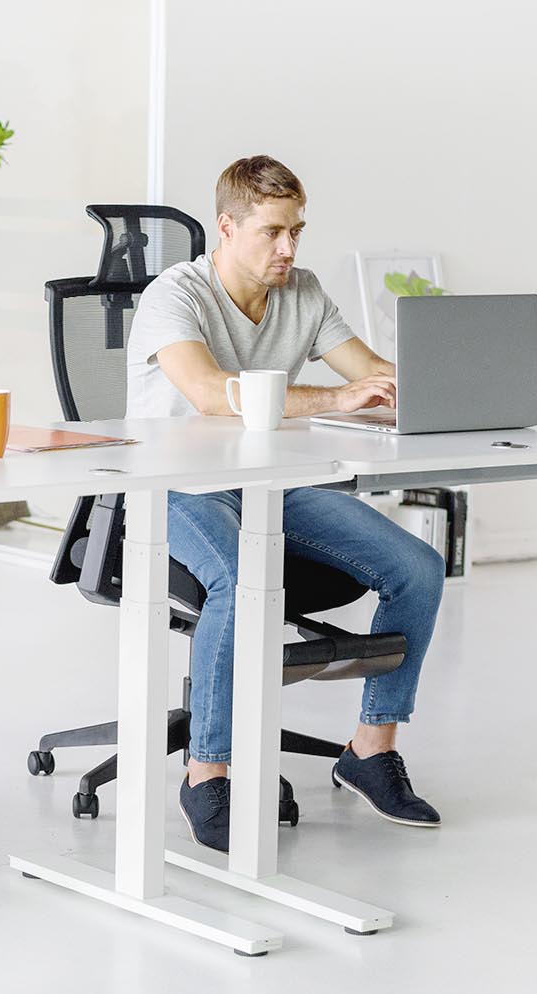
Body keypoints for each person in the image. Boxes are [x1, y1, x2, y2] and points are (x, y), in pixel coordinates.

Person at [124, 154, 446, 848]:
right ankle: (207, 774)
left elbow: (372, 373)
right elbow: (211, 394)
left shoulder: (302, 292)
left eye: (297, 230)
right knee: (241, 578)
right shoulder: (174, 295)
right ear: (227, 227)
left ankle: (369, 752)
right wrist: (336, 399)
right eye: (272, 232)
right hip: (172, 484)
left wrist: (451, 381)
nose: (289, 248)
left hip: (271, 484)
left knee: (416, 568)